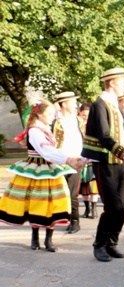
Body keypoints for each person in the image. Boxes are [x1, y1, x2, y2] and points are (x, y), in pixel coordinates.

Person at [0, 100, 83, 251]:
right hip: (37, 170)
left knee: (52, 203)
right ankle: (35, 237)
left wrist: (70, 158)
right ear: (39, 114)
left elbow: (52, 151)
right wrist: (68, 159)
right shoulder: (34, 130)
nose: (53, 116)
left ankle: (48, 240)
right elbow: (46, 151)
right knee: (37, 203)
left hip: (50, 168)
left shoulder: (44, 128)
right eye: (50, 113)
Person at [81, 67, 124, 262]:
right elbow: (104, 136)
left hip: (122, 162)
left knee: (123, 205)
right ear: (112, 82)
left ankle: (112, 243)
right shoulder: (100, 105)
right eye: (123, 81)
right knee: (112, 207)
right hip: (106, 163)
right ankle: (99, 244)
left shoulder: (116, 105)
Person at [52, 91, 84, 234]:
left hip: (75, 160)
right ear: (64, 104)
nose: (75, 105)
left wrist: (84, 158)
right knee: (58, 193)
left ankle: (75, 221)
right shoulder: (54, 121)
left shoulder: (78, 121)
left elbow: (85, 139)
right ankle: (60, 218)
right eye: (72, 102)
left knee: (72, 194)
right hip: (59, 161)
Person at [76, 102, 99, 219]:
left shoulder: (94, 126)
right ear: (79, 114)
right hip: (80, 158)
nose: (86, 118)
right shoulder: (76, 126)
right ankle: (87, 209)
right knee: (84, 186)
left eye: (88, 115)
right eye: (83, 115)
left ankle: (94, 209)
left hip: (91, 158)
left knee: (93, 185)